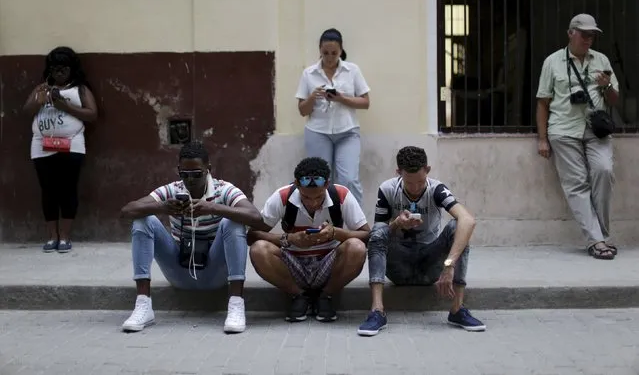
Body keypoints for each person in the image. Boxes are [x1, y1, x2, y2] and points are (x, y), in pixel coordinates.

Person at [119, 141, 263, 334]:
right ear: (178, 170)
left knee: (233, 221)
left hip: (215, 273)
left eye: (197, 174)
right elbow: (127, 211)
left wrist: (214, 208)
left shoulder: (224, 189)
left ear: (208, 169)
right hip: (179, 271)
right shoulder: (172, 190)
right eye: (184, 174)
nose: (190, 180)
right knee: (142, 220)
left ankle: (236, 304)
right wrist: (161, 207)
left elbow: (256, 217)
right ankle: (143, 305)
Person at [357, 146, 486, 336]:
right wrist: (397, 224)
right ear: (398, 173)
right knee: (378, 230)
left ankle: (457, 309)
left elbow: (468, 220)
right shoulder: (387, 189)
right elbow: (378, 234)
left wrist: (449, 265)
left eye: (420, 181)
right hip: (398, 266)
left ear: (428, 170)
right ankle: (377, 311)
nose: (416, 188)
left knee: (457, 227)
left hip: (430, 264)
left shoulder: (437, 189)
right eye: (409, 182)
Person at [536, 14, 620, 260]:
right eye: (584, 34)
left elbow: (614, 99)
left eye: (592, 35)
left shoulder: (601, 59)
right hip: (563, 129)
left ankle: (599, 237)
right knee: (577, 184)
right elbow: (542, 103)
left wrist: (606, 86)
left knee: (604, 171)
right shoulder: (552, 62)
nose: (588, 39)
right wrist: (542, 138)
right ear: (571, 33)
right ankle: (598, 242)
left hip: (597, 129)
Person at [248, 157, 369, 322]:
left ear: (327, 184)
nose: (313, 203)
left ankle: (325, 296)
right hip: (293, 265)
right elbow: (252, 235)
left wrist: (336, 233)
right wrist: (289, 239)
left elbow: (367, 235)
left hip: (329, 265)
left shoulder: (341, 195)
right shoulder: (283, 196)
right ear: (297, 184)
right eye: (306, 197)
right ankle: (298, 295)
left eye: (319, 197)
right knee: (259, 249)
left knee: (357, 247)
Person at [23, 46, 98, 253]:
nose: (59, 73)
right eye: (55, 69)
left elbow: (92, 114)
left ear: (72, 69)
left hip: (71, 145)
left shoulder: (80, 89)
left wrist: (66, 107)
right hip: (41, 145)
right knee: (48, 191)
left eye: (64, 69)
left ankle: (65, 236)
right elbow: (26, 110)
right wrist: (38, 103)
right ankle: (52, 236)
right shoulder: (41, 88)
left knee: (67, 190)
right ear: (50, 69)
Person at [295, 28, 370, 206]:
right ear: (319, 50)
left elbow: (365, 102)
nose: (329, 57)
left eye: (334, 53)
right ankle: (326, 222)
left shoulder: (352, 70)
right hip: (317, 132)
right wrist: (313, 97)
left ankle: (356, 225)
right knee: (320, 180)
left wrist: (341, 98)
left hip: (348, 131)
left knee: (349, 179)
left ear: (341, 50)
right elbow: (302, 110)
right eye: (325, 53)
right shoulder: (309, 73)